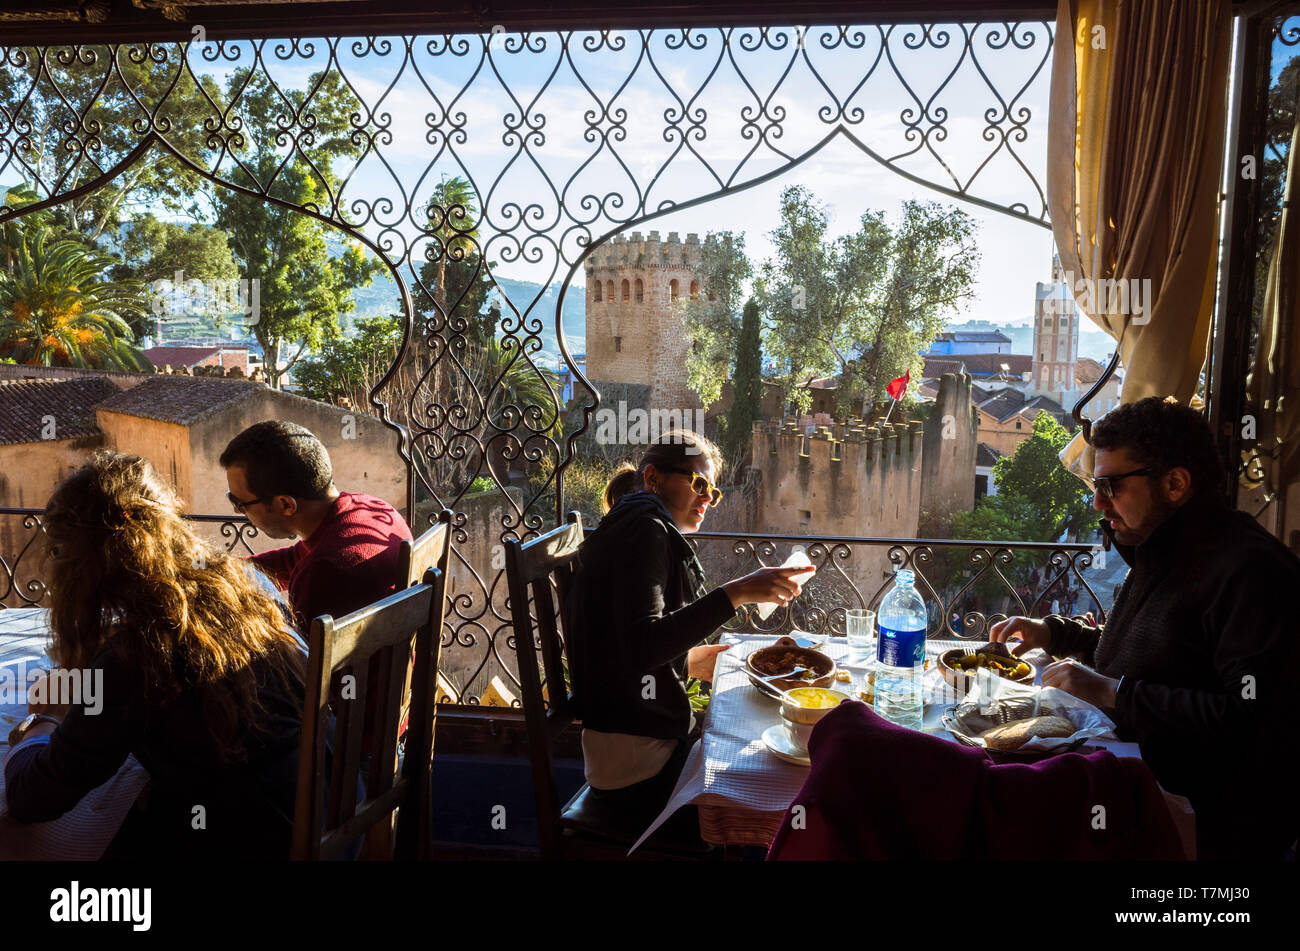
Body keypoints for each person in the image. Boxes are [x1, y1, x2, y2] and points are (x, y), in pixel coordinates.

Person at [991, 397, 1300, 860]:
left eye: (1111, 486)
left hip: (1198, 826)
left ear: (1175, 483)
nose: (1098, 502)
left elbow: (1251, 718)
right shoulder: (1162, 545)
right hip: (1132, 781)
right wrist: (1054, 635)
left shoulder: (1250, 572)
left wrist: (1115, 692)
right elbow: (1149, 655)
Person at [4, 453, 307, 858]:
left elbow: (33, 798)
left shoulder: (136, 654)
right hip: (319, 812)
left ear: (80, 563)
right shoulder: (247, 585)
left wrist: (44, 720)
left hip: (255, 840)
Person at [565, 430, 812, 823]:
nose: (707, 499)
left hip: (623, 750)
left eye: (712, 492)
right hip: (638, 769)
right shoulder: (644, 531)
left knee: (760, 739)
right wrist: (737, 592)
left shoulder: (636, 524)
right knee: (784, 780)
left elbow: (621, 643)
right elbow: (641, 645)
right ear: (653, 479)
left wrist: (689, 661)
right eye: (699, 484)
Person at [220, 420, 412, 631]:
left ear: (285, 504)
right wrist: (223, 571)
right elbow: (293, 559)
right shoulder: (372, 508)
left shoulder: (324, 571)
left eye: (240, 503)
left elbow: (301, 660)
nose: (238, 511)